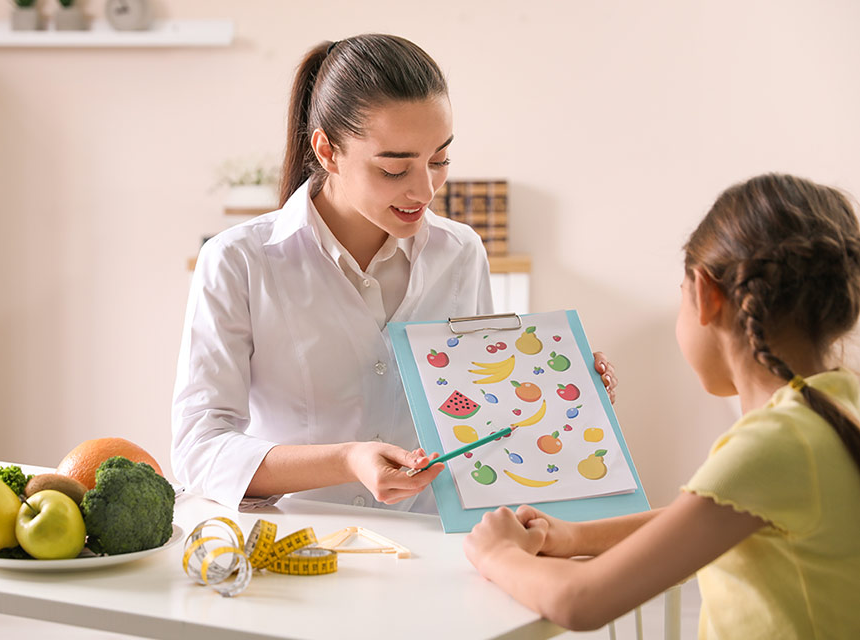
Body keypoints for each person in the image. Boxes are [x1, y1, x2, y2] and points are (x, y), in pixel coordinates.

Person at [171, 34, 617, 513]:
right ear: (327, 151)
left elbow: (484, 421)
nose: (425, 189)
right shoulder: (238, 262)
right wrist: (346, 460)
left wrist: (557, 391)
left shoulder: (461, 253)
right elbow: (200, 450)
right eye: (394, 168)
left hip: (432, 547)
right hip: (299, 547)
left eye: (439, 160)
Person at [463, 173, 860, 637]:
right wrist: (573, 536)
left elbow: (579, 601)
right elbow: (708, 517)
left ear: (707, 295)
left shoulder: (775, 443)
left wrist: (497, 555)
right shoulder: (832, 403)